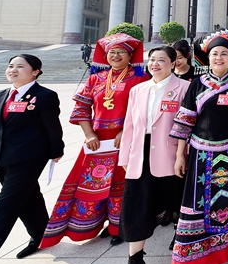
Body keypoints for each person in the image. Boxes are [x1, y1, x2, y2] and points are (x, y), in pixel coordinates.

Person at [42, 33, 148, 248]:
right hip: (97, 143)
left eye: (121, 52)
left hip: (125, 141)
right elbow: (81, 108)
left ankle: (120, 227)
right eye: (112, 52)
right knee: (90, 184)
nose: (116, 56)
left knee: (122, 186)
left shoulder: (140, 79)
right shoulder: (95, 78)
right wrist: (89, 134)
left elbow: (144, 111)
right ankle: (93, 225)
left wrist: (124, 133)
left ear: (130, 55)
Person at [169, 31, 228, 264]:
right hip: (201, 153)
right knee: (201, 200)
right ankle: (200, 247)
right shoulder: (196, 84)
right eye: (215, 54)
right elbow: (185, 121)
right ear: (207, 58)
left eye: (224, 54)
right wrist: (180, 155)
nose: (219, 58)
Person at [117, 46, 190, 264]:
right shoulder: (138, 90)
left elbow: (187, 125)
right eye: (152, 60)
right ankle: (135, 260)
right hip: (140, 155)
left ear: (173, 63)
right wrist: (125, 157)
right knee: (136, 206)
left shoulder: (185, 87)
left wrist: (181, 155)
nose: (155, 64)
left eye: (161, 60)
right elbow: (129, 125)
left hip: (171, 155)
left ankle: (183, 248)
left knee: (176, 203)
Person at [0, 54, 64, 259]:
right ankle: (41, 235)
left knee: (5, 205)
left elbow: (52, 127)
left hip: (29, 158)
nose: (12, 70)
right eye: (10, 66)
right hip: (1, 158)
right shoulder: (0, 95)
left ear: (35, 72)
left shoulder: (44, 95)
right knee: (28, 198)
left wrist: (56, 151)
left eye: (19, 66)